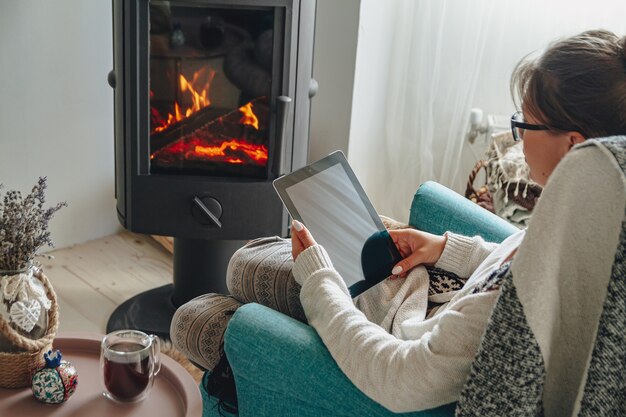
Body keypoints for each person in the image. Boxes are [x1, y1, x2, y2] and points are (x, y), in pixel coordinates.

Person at [170, 29, 626, 415]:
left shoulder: (509, 320)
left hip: (392, 344)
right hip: (419, 293)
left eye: (523, 125)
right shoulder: (596, 227)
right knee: (244, 266)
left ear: (571, 146)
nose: (517, 137)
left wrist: (319, 283)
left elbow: (397, 376)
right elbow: (515, 260)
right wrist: (445, 248)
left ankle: (261, 357)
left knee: (194, 320)